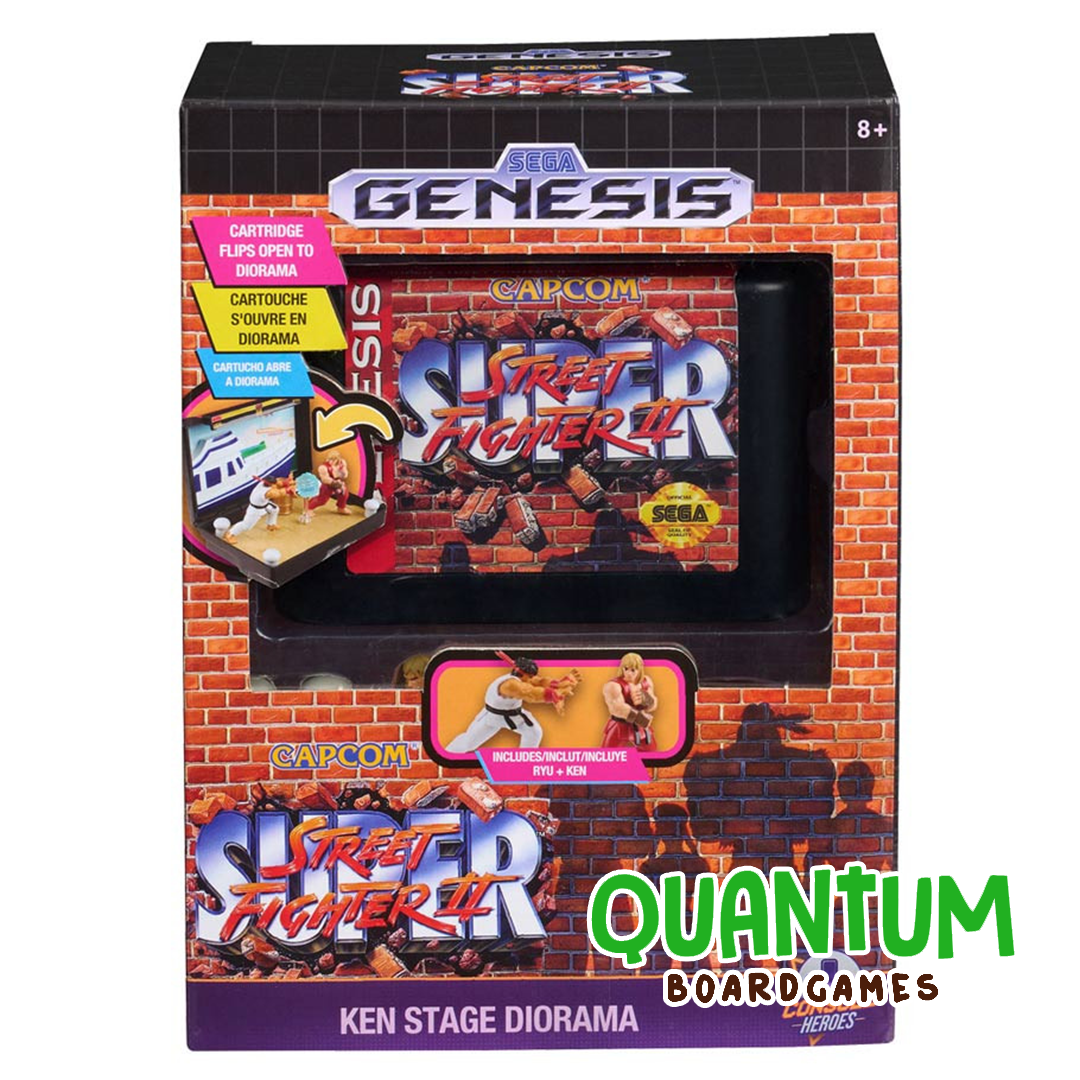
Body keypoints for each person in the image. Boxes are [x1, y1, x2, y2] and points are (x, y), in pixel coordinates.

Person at [446, 655, 580, 753]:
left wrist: (561, 683)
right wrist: (555, 695)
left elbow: (540, 681)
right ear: (523, 673)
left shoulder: (522, 678)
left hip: (514, 715)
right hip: (493, 718)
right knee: (469, 743)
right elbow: (531, 694)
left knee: (534, 732)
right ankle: (447, 755)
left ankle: (524, 765)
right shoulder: (510, 685)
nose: (533, 679)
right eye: (530, 676)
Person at [601, 652, 657, 751]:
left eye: (633, 670)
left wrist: (647, 700)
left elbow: (653, 704)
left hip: (641, 728)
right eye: (626, 669)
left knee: (652, 751)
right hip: (620, 725)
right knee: (608, 754)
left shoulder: (646, 682)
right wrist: (640, 718)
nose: (628, 673)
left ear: (639, 670)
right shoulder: (614, 685)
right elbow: (617, 708)